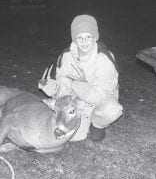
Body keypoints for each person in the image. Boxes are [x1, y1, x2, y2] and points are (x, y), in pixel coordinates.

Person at [38, 14, 123, 142]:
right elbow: (63, 86)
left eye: (88, 37)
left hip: (100, 100)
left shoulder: (105, 59)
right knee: (75, 138)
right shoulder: (66, 56)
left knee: (112, 110)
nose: (84, 42)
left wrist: (84, 90)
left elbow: (102, 93)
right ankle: (83, 122)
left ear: (95, 37)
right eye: (80, 37)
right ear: (74, 39)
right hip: (76, 104)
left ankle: (98, 125)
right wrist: (54, 90)